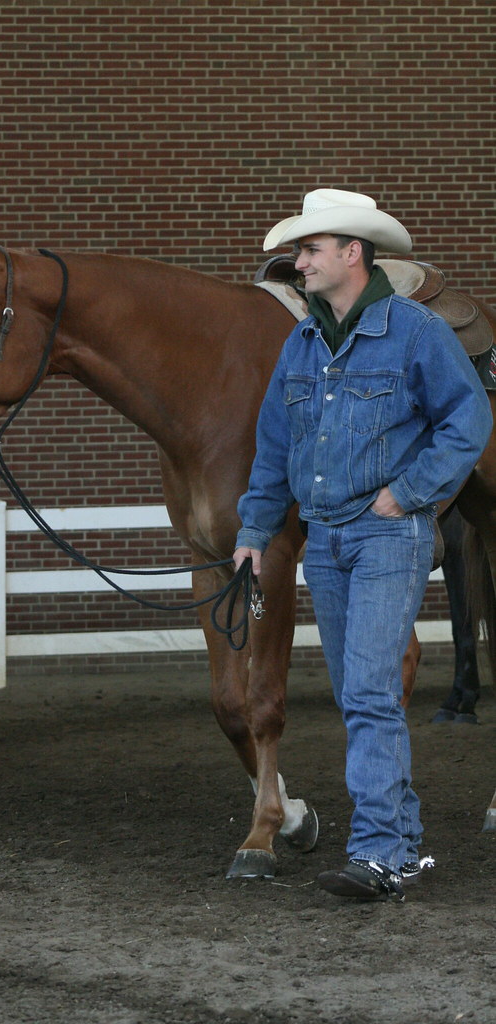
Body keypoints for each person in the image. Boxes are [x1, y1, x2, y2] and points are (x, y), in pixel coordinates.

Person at [234, 189, 493, 901]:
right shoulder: (302, 342)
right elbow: (273, 446)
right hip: (323, 539)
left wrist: (406, 494)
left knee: (371, 693)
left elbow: (466, 421)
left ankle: (377, 851)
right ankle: (400, 847)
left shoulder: (412, 332)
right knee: (357, 695)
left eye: (311, 249)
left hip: (386, 535)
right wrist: (255, 531)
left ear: (352, 253)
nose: (299, 261)